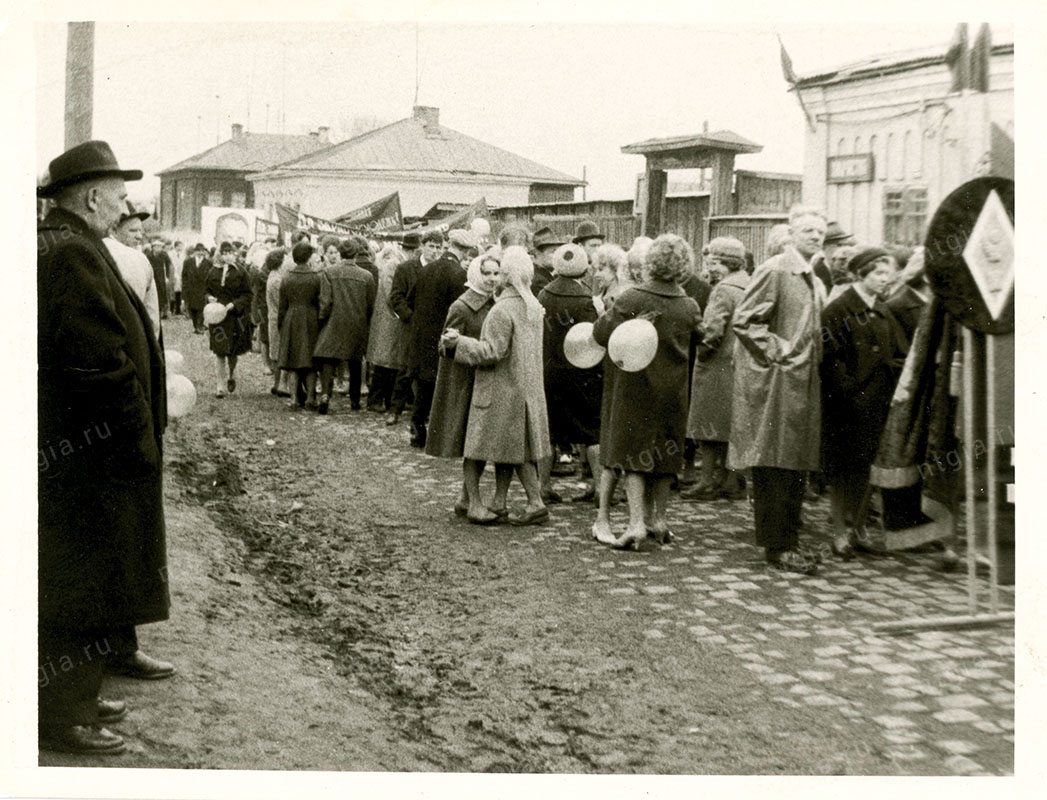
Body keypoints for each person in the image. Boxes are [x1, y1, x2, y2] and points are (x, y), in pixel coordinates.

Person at [37, 140, 170, 755]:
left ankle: (79, 696)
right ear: (92, 198)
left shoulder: (72, 245)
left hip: (85, 453)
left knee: (90, 577)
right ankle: (64, 716)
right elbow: (96, 368)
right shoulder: (71, 254)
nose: (124, 205)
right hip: (92, 456)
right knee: (80, 581)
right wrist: (136, 436)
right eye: (118, 195)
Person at [729, 205, 827, 575]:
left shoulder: (813, 277)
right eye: (807, 230)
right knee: (775, 464)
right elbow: (745, 320)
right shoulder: (775, 270)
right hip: (778, 387)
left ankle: (789, 542)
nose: (815, 236)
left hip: (803, 386)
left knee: (794, 464)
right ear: (792, 233)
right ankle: (778, 546)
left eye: (819, 231)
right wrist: (781, 353)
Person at [591, 234, 703, 549]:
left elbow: (601, 334)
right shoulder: (689, 305)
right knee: (665, 454)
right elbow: (701, 339)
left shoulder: (632, 299)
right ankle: (660, 520)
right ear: (684, 267)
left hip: (634, 390)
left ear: (649, 264)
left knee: (632, 455)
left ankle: (636, 523)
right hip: (674, 392)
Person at [443, 246, 551, 525]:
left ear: (506, 275)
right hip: (524, 389)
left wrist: (460, 344)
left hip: (498, 389)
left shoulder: (502, 310)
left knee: (476, 447)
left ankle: (476, 503)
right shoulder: (534, 307)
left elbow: (492, 352)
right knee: (517, 450)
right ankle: (513, 501)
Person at [821, 247, 909, 559]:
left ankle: (859, 531)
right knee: (843, 470)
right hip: (846, 406)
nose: (886, 280)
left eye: (889, 274)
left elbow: (898, 352)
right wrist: (850, 394)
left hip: (878, 404)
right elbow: (829, 360)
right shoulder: (840, 309)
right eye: (879, 274)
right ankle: (840, 534)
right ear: (861, 274)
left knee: (864, 469)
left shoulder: (883, 309)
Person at [426, 250, 500, 522]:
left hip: (483, 380)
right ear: (475, 274)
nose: (492, 279)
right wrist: (461, 346)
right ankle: (475, 503)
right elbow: (444, 346)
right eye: (487, 273)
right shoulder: (461, 306)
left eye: (496, 273)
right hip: (463, 383)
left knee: (478, 442)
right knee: (473, 444)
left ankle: (465, 498)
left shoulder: (495, 304)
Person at [685, 237, 750, 500]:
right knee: (733, 426)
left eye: (713, 262)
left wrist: (699, 348)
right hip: (740, 365)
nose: (709, 268)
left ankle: (707, 481)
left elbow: (712, 331)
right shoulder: (750, 284)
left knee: (710, 428)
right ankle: (732, 480)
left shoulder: (723, 289)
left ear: (725, 263)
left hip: (717, 366)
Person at [538, 243, 603, 505]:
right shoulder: (585, 300)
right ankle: (599, 488)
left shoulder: (543, 294)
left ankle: (543, 486)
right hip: (582, 374)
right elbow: (593, 338)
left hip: (550, 372)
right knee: (591, 432)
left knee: (549, 432)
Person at [407, 229, 476, 448]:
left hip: (422, 335)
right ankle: (441, 433)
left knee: (425, 385)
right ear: (463, 250)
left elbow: (410, 300)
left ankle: (417, 425)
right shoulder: (458, 274)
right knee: (443, 384)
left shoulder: (426, 269)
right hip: (444, 335)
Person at [314, 236, 377, 414]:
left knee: (328, 358)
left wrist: (321, 319)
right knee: (356, 361)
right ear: (356, 254)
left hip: (334, 321)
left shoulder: (329, 272)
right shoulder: (367, 276)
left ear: (340, 253)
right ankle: (355, 400)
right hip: (357, 324)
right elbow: (370, 304)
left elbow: (325, 302)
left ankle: (326, 394)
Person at [385, 232, 430, 425]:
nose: (435, 250)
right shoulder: (406, 268)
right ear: (423, 246)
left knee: (427, 371)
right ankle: (395, 410)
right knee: (405, 368)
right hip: (411, 325)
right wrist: (410, 317)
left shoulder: (440, 268)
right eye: (431, 246)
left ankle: (423, 413)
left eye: (439, 247)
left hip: (431, 326)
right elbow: (396, 297)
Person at [205, 241, 254, 398]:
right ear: (220, 254)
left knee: (232, 352)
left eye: (229, 252)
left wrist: (235, 304)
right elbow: (205, 290)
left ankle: (231, 374)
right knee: (219, 351)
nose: (226, 256)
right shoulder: (213, 271)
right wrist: (209, 297)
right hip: (217, 316)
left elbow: (248, 295)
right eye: (224, 252)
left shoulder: (241, 272)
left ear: (234, 254)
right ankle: (220, 385)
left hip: (234, 316)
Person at [104, 200, 161, 335]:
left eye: (141, 231)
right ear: (114, 229)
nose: (139, 236)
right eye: (133, 230)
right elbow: (151, 314)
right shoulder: (139, 259)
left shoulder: (89, 248)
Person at [279, 241, 323, 409]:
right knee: (310, 361)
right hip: (310, 318)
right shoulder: (315, 277)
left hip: (291, 317)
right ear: (308, 257)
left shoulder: (287, 277)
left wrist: (282, 325)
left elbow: (283, 305)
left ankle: (293, 399)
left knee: (293, 362)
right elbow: (320, 302)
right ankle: (311, 398)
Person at [367, 242, 407, 412]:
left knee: (388, 361)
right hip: (390, 319)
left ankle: (382, 399)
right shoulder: (394, 265)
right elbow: (391, 293)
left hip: (389, 319)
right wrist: (403, 309)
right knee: (386, 362)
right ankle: (376, 400)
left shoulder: (393, 265)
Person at [262, 247, 292, 396]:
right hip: (277, 319)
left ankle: (277, 383)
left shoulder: (273, 277)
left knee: (276, 351)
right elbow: (282, 303)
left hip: (273, 317)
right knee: (279, 351)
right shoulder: (277, 280)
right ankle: (280, 384)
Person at [591, 243, 629, 312]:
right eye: (596, 270)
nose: (596, 275)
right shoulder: (600, 297)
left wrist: (601, 312)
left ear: (615, 270)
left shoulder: (621, 300)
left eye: (600, 269)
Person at [182, 243, 211, 333]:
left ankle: (200, 326)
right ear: (195, 252)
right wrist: (185, 287)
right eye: (198, 251)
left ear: (204, 252)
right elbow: (184, 275)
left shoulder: (208, 263)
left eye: (202, 251)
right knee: (192, 308)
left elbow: (210, 277)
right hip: (191, 288)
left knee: (201, 308)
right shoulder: (188, 262)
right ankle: (195, 326)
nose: (200, 253)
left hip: (203, 288)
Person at [530, 226, 564, 294]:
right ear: (537, 253)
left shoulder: (545, 275)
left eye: (558, 251)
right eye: (552, 252)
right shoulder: (538, 281)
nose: (557, 256)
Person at [146, 239, 172, 320]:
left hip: (161, 277)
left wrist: (167, 276)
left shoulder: (164, 255)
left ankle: (163, 311)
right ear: (153, 247)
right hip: (152, 276)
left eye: (160, 247)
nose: (158, 249)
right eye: (156, 247)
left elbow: (168, 265)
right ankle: (156, 311)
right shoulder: (149, 255)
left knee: (162, 294)